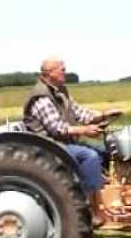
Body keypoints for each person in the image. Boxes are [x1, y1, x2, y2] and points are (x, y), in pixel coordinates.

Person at [23, 57, 123, 227]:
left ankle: (110, 194)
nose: (65, 72)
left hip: (63, 143)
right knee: (89, 156)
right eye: (62, 69)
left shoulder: (60, 92)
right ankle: (92, 211)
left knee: (102, 152)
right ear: (49, 73)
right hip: (51, 146)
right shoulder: (42, 98)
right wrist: (84, 130)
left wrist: (104, 115)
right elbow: (57, 128)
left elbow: (80, 113)